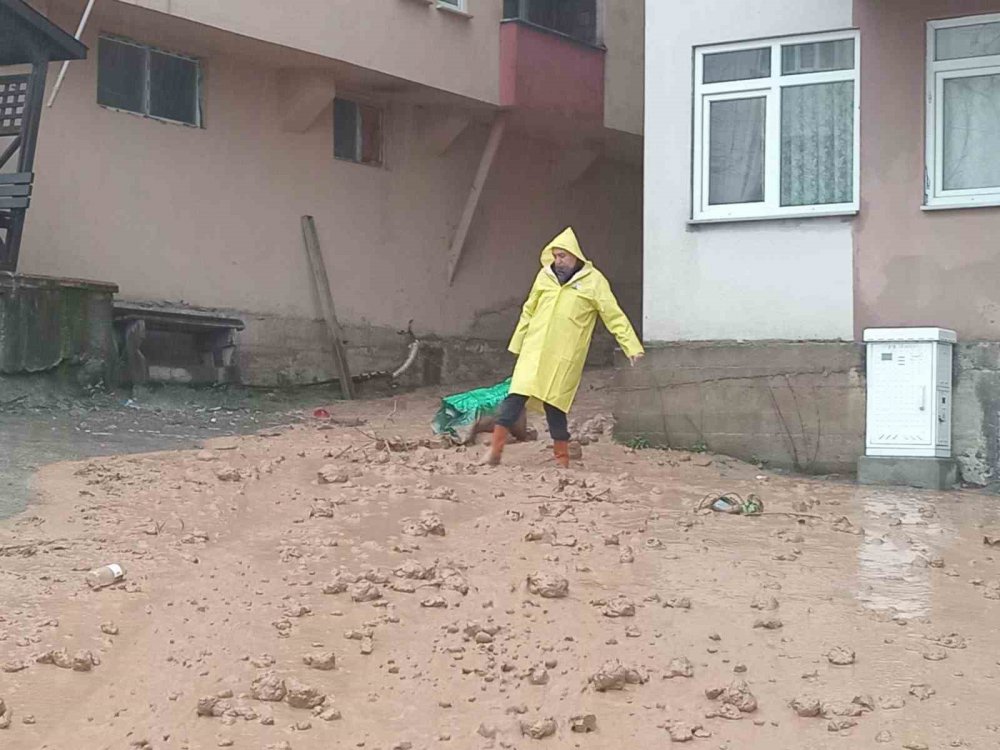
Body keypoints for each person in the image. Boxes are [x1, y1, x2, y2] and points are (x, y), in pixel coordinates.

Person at [487, 227, 644, 468]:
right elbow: (529, 309)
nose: (558, 261)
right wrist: (518, 342)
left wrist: (631, 346)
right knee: (515, 395)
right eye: (555, 256)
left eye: (562, 256)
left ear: (575, 256)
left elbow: (614, 315)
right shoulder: (544, 276)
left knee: (555, 405)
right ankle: (495, 451)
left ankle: (562, 460)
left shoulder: (594, 282)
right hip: (535, 349)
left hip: (564, 355)